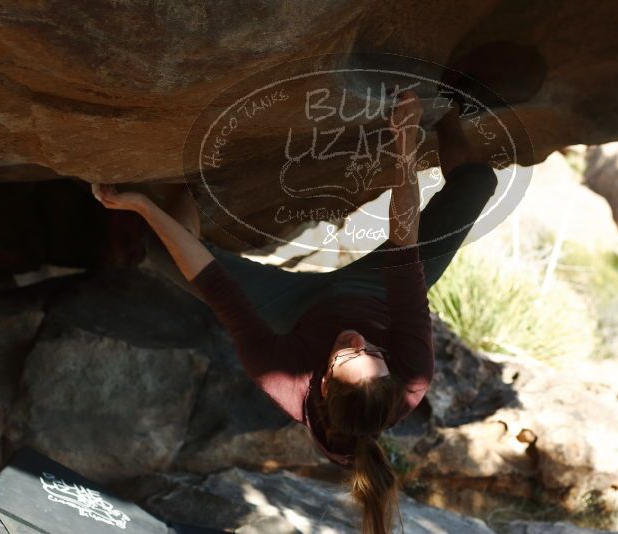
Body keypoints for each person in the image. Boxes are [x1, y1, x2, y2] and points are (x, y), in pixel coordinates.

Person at [93, 91, 497, 534]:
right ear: (391, 369)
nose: (357, 340)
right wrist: (405, 145)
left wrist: (143, 207)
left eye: (347, 354)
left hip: (295, 312)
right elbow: (405, 241)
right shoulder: (412, 370)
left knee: (162, 251)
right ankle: (452, 108)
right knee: (478, 184)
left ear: (321, 383)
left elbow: (215, 284)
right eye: (373, 351)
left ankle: (195, 181)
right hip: (378, 290)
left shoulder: (284, 378)